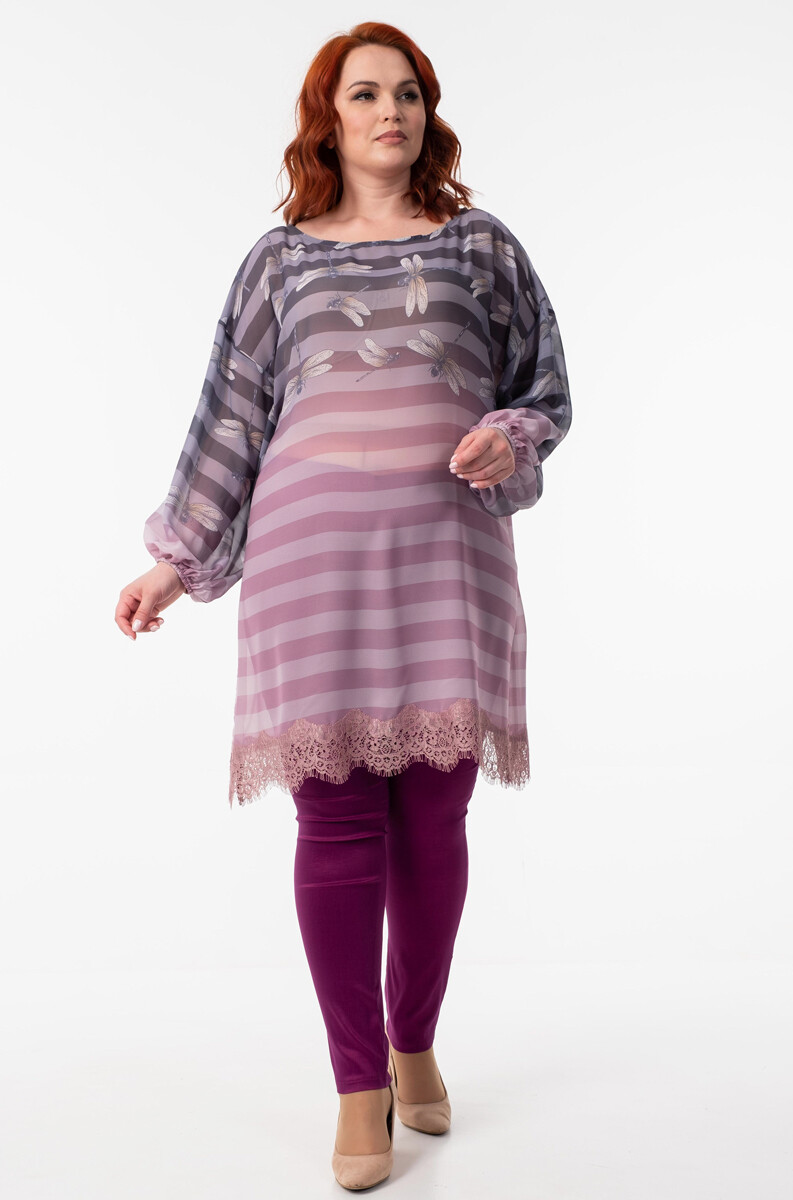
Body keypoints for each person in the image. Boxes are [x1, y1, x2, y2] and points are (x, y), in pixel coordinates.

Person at [115, 21, 572, 1191]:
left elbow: (544, 388)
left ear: (428, 113)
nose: (389, 111)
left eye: (407, 93)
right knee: (335, 827)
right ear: (325, 117)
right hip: (308, 568)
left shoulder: (479, 248)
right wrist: (175, 559)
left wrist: (506, 434)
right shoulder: (277, 263)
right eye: (364, 93)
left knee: (432, 821)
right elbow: (231, 417)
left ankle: (413, 1042)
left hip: (447, 562)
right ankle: (357, 1083)